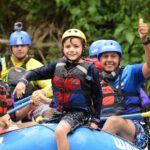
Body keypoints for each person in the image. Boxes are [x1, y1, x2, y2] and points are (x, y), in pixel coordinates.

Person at [13, 28, 102, 150]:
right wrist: (23, 81)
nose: (71, 50)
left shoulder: (90, 69)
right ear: (63, 48)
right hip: (61, 110)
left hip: (81, 112)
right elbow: (36, 73)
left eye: (76, 46)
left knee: (60, 131)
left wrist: (95, 120)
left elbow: (98, 95)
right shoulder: (57, 65)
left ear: (82, 48)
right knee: (38, 127)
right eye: (68, 46)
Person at [96, 19, 150, 149]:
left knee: (114, 121)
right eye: (105, 56)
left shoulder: (130, 72)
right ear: (99, 60)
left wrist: (145, 41)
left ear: (119, 59)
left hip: (134, 132)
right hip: (102, 130)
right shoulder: (93, 79)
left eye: (113, 56)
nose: (109, 60)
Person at [1, 22, 53, 122]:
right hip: (7, 106)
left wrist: (42, 92)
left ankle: (43, 123)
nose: (20, 48)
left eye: (23, 45)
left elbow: (52, 85)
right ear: (11, 48)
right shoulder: (2, 63)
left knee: (48, 109)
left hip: (29, 104)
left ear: (28, 47)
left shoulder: (35, 65)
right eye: (16, 46)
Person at [0, 56, 33, 129]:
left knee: (35, 125)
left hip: (5, 130)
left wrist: (31, 105)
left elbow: (14, 117)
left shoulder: (5, 89)